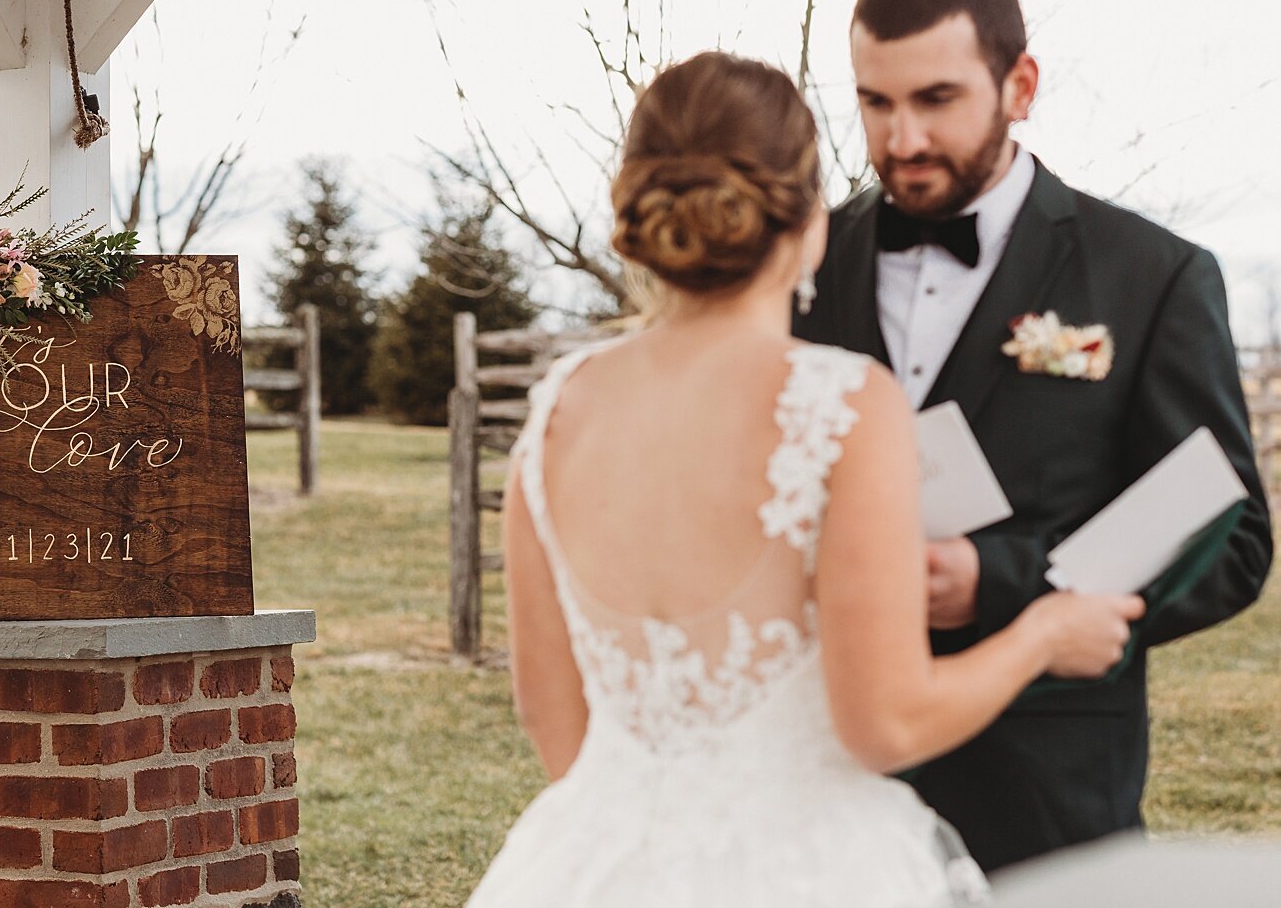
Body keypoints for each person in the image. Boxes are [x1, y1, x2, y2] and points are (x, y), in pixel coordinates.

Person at [466, 50, 1144, 908]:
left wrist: (659, 840)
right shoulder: (843, 404)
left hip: (598, 863)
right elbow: (886, 723)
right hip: (810, 869)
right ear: (809, 217)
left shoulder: (558, 409)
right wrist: (1043, 635)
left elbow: (554, 722)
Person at [793, 0, 1272, 871]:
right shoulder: (802, 267)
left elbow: (1235, 540)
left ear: (1020, 85)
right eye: (874, 103)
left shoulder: (1151, 276)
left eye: (936, 100)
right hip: (829, 785)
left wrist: (1004, 584)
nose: (902, 141)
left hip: (1048, 798)